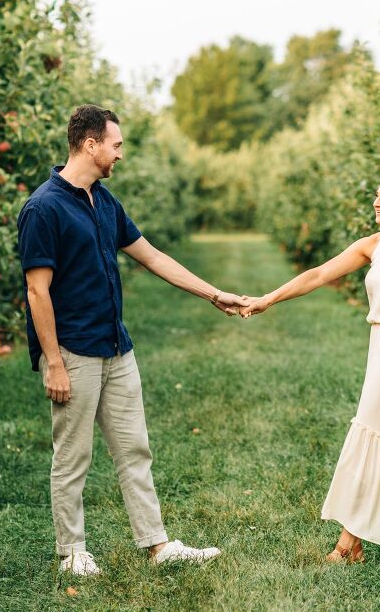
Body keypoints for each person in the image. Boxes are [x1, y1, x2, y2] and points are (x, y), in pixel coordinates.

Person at [17, 104, 246, 576]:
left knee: (134, 449)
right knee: (73, 456)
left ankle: (157, 544)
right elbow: (37, 290)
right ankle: (73, 553)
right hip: (74, 352)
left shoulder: (105, 202)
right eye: (116, 145)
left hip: (116, 347)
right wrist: (53, 361)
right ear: (90, 144)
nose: (120, 155)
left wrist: (214, 294)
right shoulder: (43, 208)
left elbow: (154, 258)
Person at [240, 173, 380, 564]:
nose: (376, 203)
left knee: (378, 435)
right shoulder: (373, 246)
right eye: (376, 196)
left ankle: (350, 543)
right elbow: (319, 275)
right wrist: (268, 299)